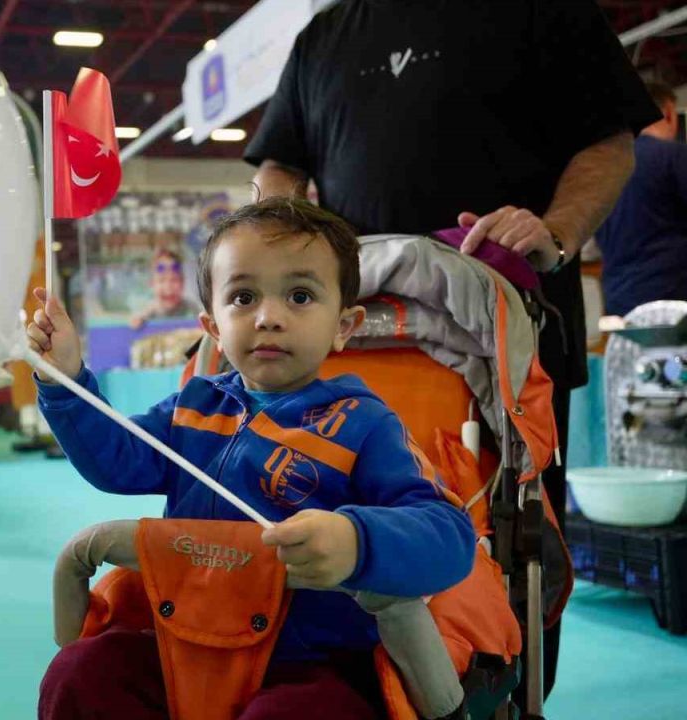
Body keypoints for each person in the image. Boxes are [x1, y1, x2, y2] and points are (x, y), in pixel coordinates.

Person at [243, 0, 661, 698]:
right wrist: (289, 241)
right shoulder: (326, 34)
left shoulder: (547, 14)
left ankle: (510, 693)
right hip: (356, 348)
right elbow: (280, 165)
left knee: (507, 546)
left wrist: (554, 232)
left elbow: (609, 144)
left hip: (508, 346)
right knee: (340, 539)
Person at [29, 198, 476, 720]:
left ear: (345, 325)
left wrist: (356, 541)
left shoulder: (365, 425)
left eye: (301, 296)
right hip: (185, 639)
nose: (268, 317)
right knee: (82, 675)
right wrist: (63, 380)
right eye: (243, 297)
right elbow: (117, 459)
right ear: (214, 327)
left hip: (315, 662)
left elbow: (449, 534)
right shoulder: (193, 409)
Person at [594, 80, 687, 317]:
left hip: (619, 299)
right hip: (672, 298)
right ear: (667, 112)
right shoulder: (674, 157)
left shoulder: (603, 169)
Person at [128, 248, 196, 329]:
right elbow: (136, 319)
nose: (168, 286)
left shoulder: (191, 308)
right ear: (152, 284)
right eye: (161, 281)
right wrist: (137, 319)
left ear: (183, 283)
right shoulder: (149, 311)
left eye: (174, 280)